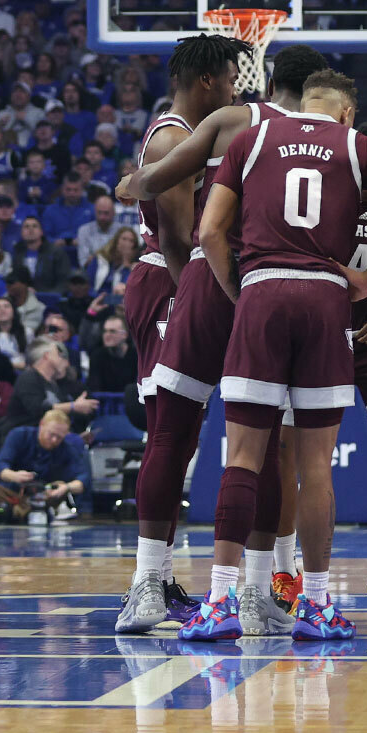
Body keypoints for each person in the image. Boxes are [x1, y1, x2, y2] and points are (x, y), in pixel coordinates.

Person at [181, 69, 367, 645]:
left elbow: (211, 231)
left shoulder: (250, 138)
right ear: (345, 114)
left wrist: (236, 292)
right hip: (325, 299)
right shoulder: (356, 146)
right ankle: (318, 606)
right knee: (316, 465)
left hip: (263, 291)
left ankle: (221, 600)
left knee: (244, 456)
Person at [111, 43, 329, 636]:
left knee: (171, 432)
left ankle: (150, 583)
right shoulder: (334, 139)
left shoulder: (234, 119)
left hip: (210, 276)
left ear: (272, 80)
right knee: (266, 448)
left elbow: (163, 198)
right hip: (270, 285)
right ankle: (256, 592)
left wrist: (131, 183)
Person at [114, 35, 244, 627]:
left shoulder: (185, 137)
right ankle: (147, 581)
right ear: (209, 84)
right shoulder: (171, 136)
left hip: (181, 281)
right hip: (166, 280)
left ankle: (162, 578)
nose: (238, 90)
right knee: (168, 431)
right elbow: (176, 238)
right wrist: (198, 295)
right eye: (232, 79)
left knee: (181, 437)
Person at [0, 409, 91, 521]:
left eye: (59, 437)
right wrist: (14, 476)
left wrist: (66, 488)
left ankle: (18, 512)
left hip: (42, 497)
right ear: (42, 424)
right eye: (51, 434)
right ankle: (11, 511)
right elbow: (0, 465)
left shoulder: (66, 448)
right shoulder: (19, 435)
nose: (54, 440)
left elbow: (83, 478)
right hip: (10, 492)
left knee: (59, 486)